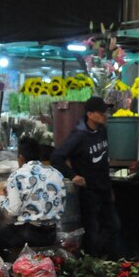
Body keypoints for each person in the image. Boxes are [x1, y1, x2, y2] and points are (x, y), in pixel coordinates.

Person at [50, 96, 121, 258]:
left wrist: (109, 188)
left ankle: (102, 259)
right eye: (101, 112)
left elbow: (103, 162)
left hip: (104, 189)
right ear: (90, 114)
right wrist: (73, 175)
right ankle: (92, 263)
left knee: (114, 226)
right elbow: (57, 157)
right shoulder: (78, 136)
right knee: (92, 232)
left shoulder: (102, 131)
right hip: (89, 193)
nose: (105, 114)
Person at [0, 136, 65, 260]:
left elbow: (11, 212)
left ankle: (1, 271)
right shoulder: (57, 174)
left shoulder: (17, 176)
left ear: (20, 158)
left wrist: (1, 196)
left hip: (28, 234)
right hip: (52, 233)